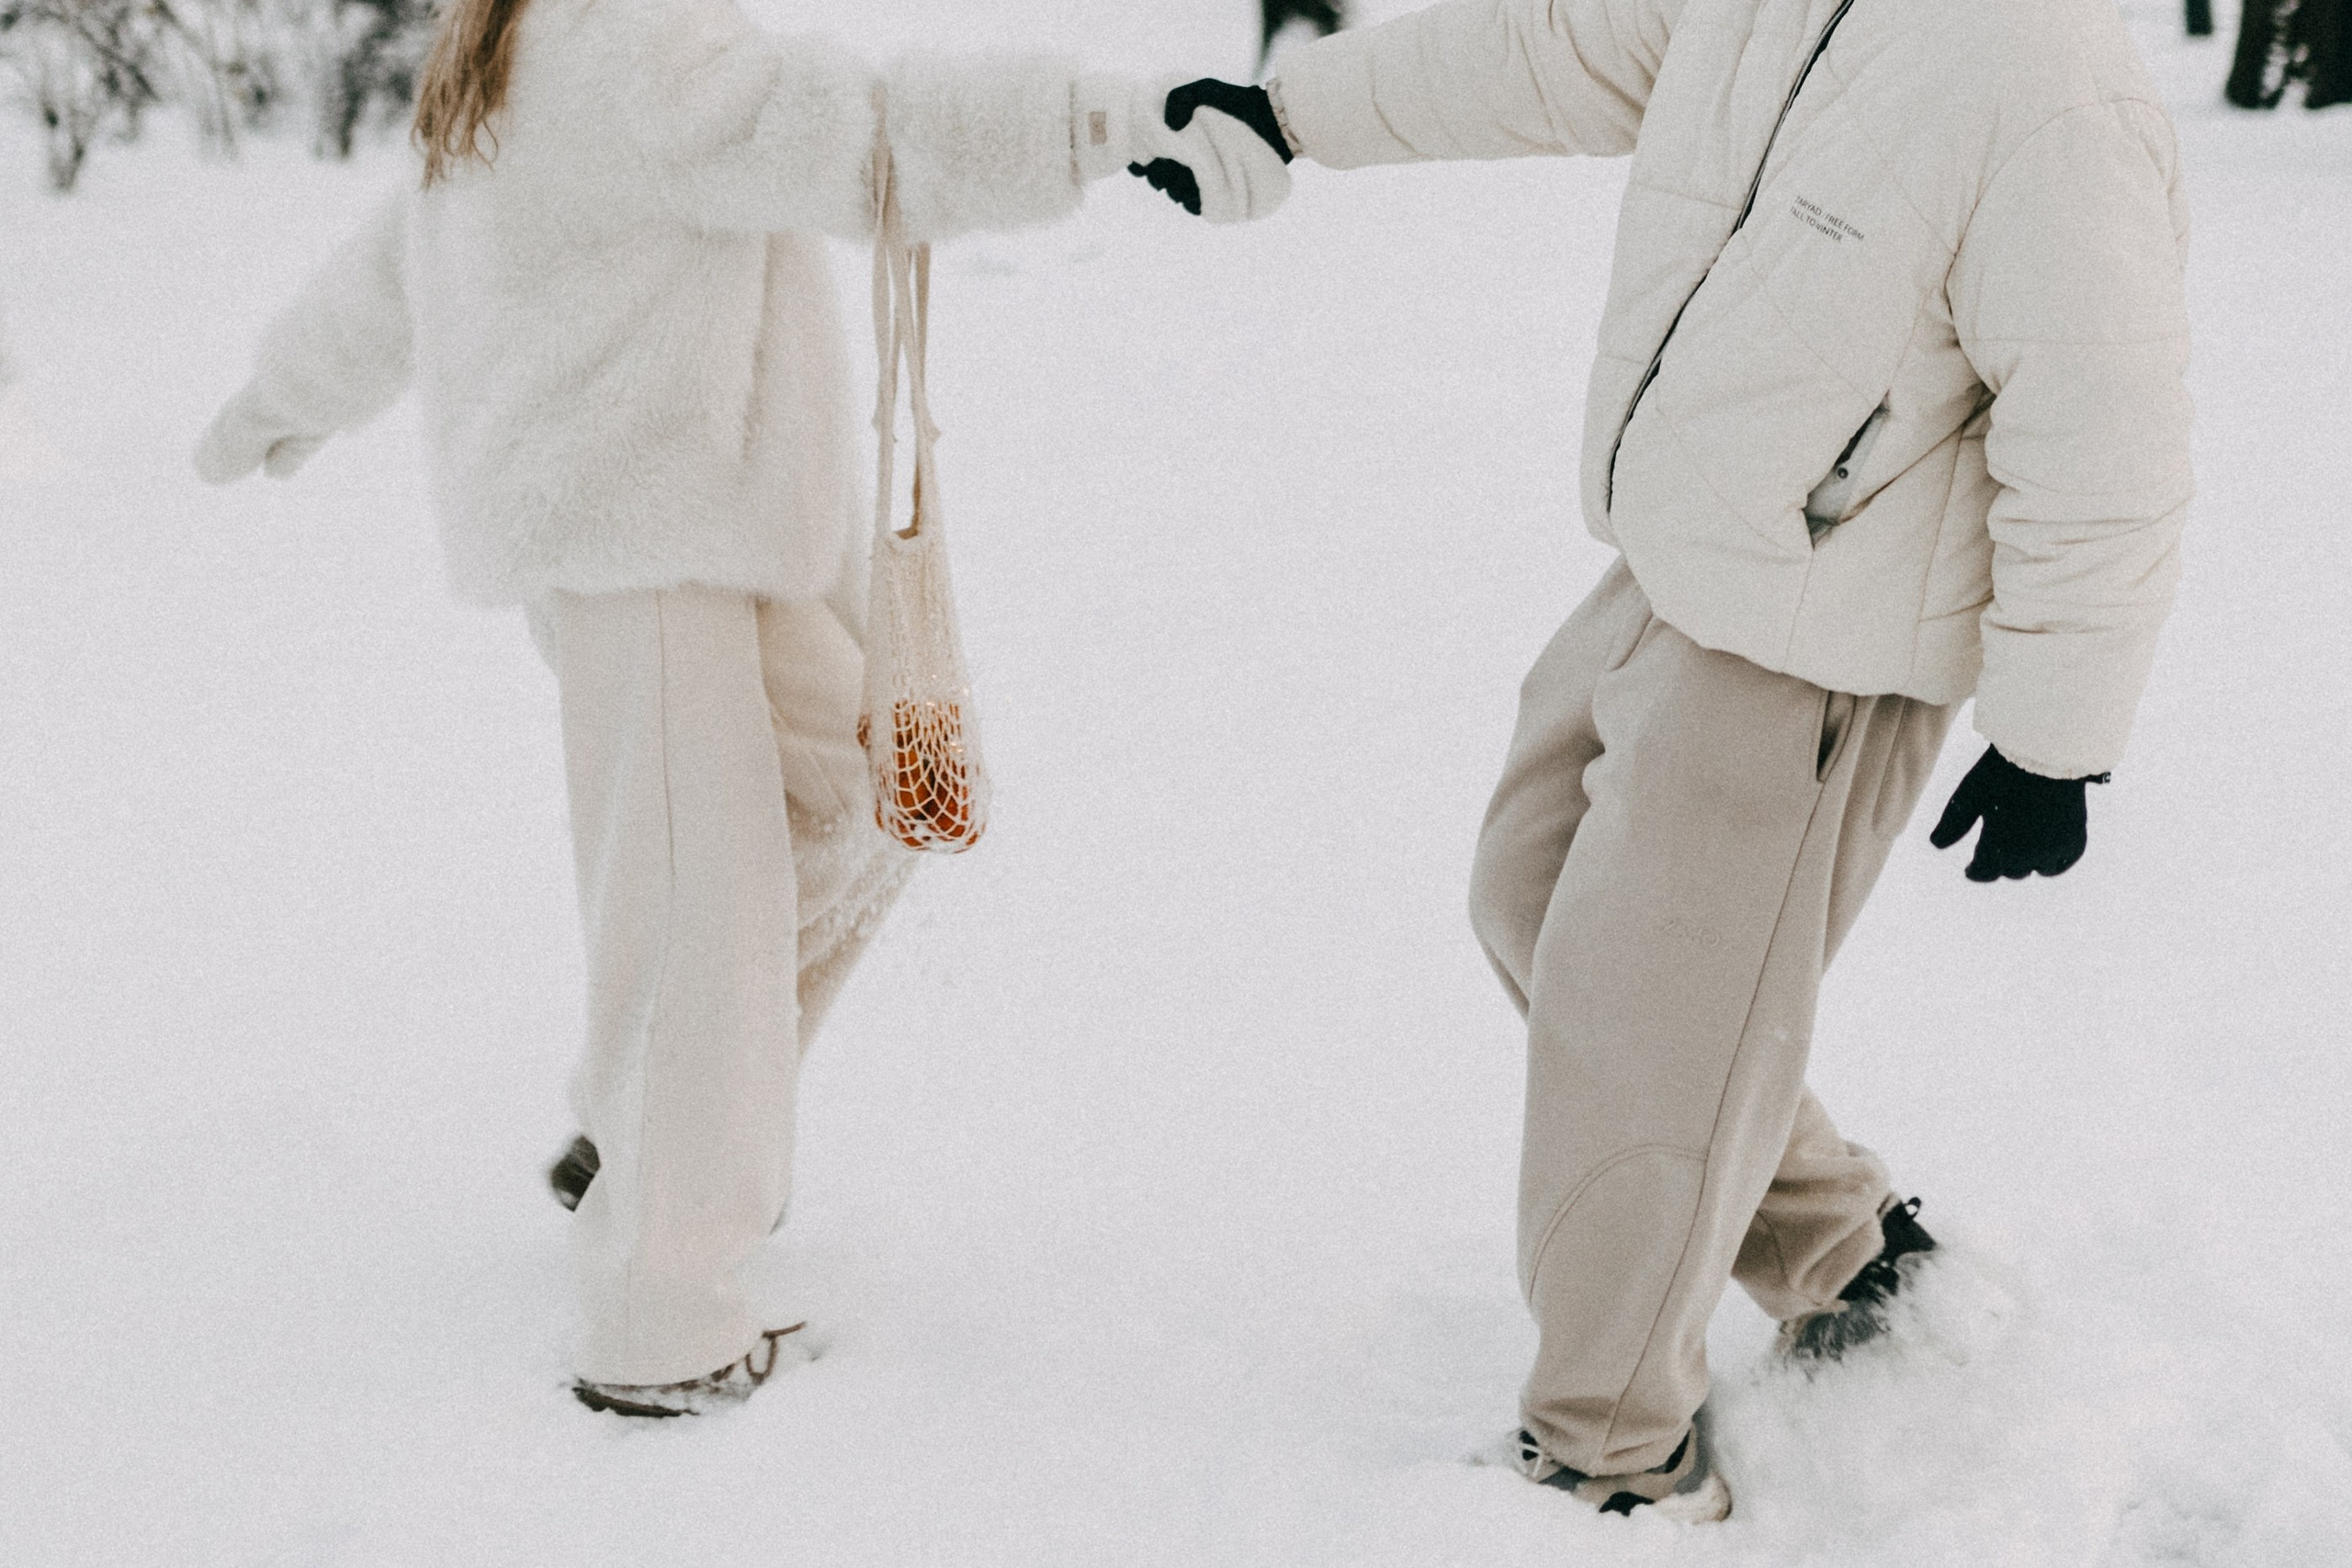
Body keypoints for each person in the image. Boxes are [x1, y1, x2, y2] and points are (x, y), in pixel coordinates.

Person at [1136, 0, 2192, 1521]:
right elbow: (1543, 51)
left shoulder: (2042, 76)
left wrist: (2055, 738)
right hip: (1684, 563)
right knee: (1533, 893)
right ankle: (1842, 1244)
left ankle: (1609, 1457)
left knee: (1646, 1041)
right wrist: (1293, 115)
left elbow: (2109, 428)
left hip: (1821, 632)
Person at [193, 0, 1292, 1417]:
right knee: (697, 918)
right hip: (646, 557)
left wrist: (279, 398)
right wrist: (1111, 117)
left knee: (868, 800)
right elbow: (881, 135)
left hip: (696, 550)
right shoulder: (631, 46)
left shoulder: (525, 47)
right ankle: (666, 1313)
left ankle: (643, 1134)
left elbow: (387, 274)